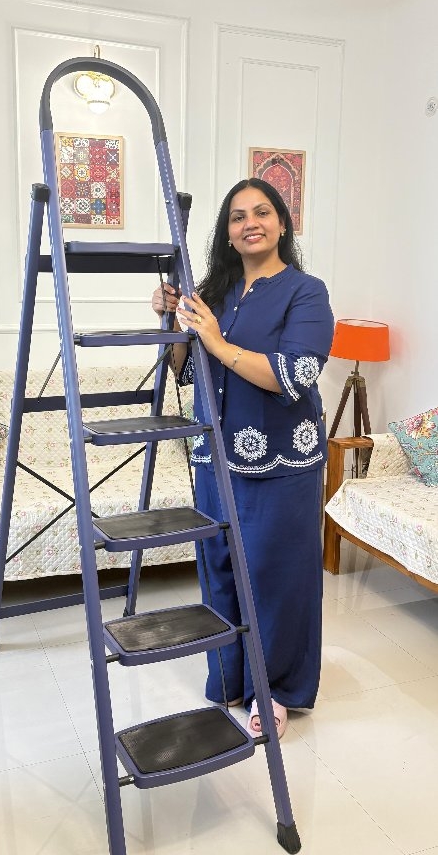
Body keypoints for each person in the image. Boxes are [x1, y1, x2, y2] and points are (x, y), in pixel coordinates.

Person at [151, 177, 334, 738]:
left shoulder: (306, 292)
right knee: (221, 570)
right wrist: (173, 321)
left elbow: (294, 375)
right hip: (215, 457)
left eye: (261, 212)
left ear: (282, 223)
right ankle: (231, 678)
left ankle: (274, 689)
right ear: (227, 233)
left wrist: (218, 343)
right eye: (237, 216)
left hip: (282, 465)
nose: (250, 223)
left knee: (274, 576)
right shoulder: (216, 291)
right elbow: (185, 369)